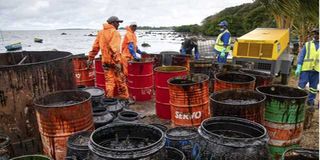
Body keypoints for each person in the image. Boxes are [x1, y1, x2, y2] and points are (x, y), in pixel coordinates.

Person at [87, 16, 129, 100]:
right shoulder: (115, 33)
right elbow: (114, 49)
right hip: (114, 61)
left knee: (109, 81)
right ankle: (124, 98)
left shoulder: (101, 33)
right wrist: (117, 62)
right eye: (117, 23)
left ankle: (109, 98)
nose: (118, 24)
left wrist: (90, 58)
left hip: (105, 61)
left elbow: (95, 47)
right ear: (113, 23)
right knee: (120, 79)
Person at [295, 28, 319, 128]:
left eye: (318, 34)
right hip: (306, 69)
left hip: (317, 70)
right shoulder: (308, 44)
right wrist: (299, 66)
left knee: (313, 87)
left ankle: (310, 101)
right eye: (315, 34)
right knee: (301, 85)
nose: (316, 35)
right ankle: (297, 99)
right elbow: (301, 55)